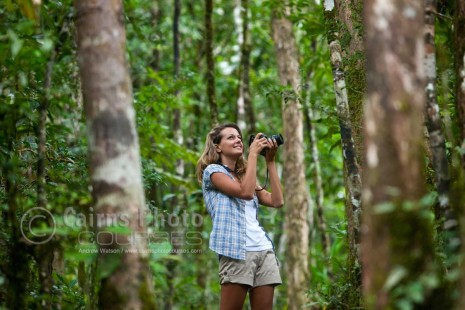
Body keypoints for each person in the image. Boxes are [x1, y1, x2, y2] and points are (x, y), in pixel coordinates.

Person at [196, 123, 284, 310]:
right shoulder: (213, 172)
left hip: (263, 249)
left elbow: (277, 201)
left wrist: (270, 161)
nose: (238, 140)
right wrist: (252, 155)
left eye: (239, 137)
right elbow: (244, 193)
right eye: (231, 137)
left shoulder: (246, 175)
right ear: (217, 146)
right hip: (236, 250)